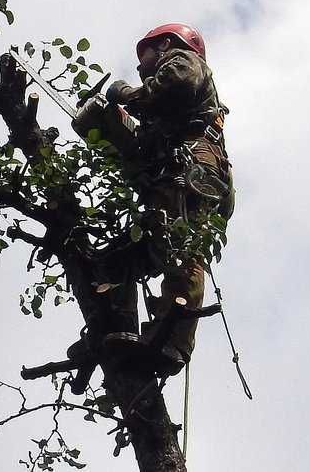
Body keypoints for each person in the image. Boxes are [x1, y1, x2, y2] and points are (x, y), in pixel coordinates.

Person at [73, 23, 234, 378]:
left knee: (181, 248)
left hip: (192, 170)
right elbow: (133, 141)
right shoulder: (163, 121)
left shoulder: (184, 61)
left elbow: (175, 84)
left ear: (164, 44)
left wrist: (126, 93)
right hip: (169, 176)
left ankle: (172, 342)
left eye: (144, 55)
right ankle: (117, 327)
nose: (141, 66)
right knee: (113, 262)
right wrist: (101, 115)